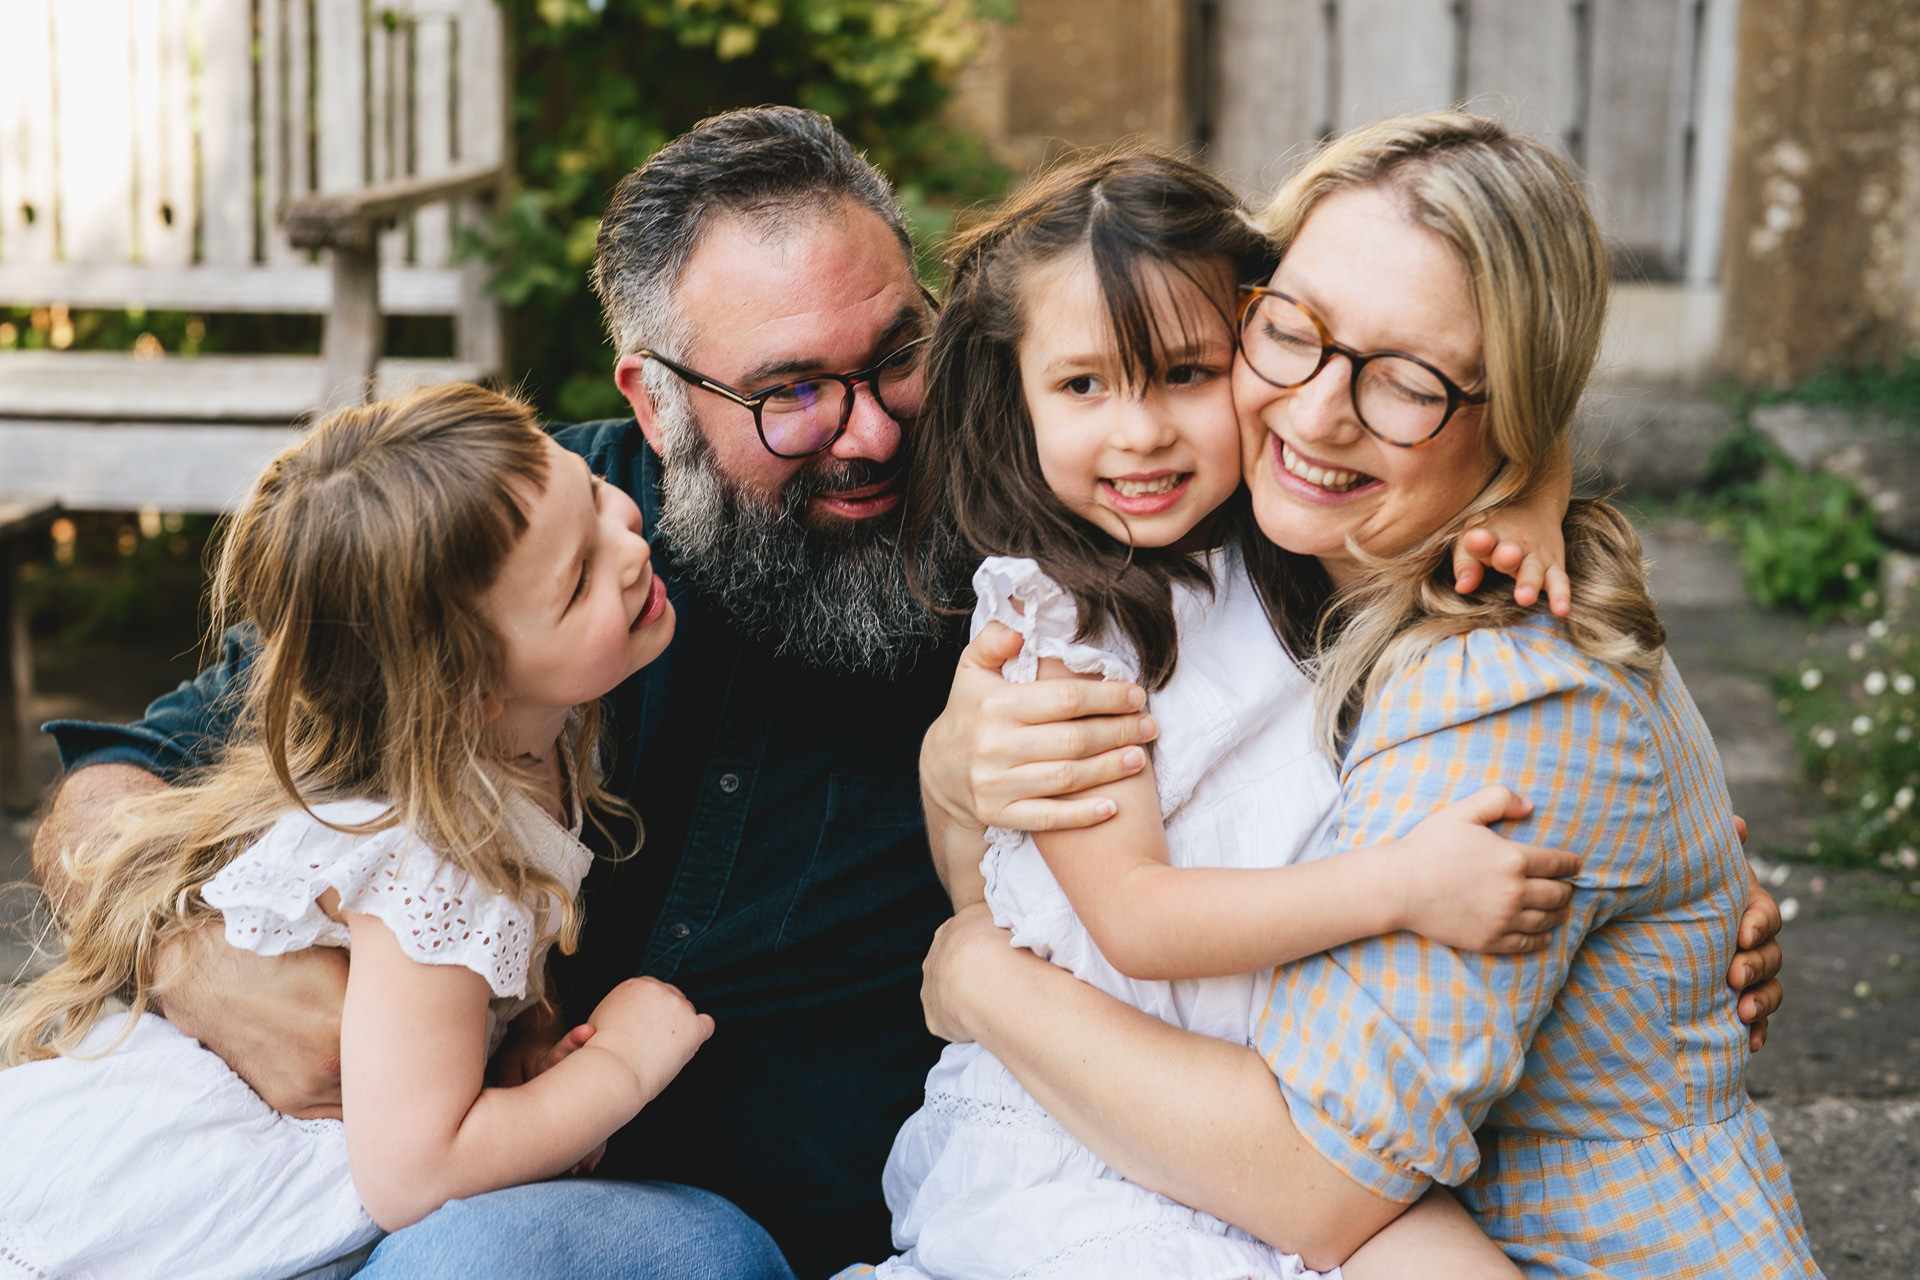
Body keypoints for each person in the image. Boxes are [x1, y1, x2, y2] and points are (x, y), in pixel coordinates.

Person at [26, 106, 1784, 1275]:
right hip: (487, 1157)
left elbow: (1336, 370)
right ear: (652, 402)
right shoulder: (531, 542)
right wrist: (187, 946)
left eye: (897, 359)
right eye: (792, 393)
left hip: (800, 1207)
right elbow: (130, 776)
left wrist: (1545, 487)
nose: (867, 431)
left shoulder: (1044, 508)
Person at [914, 112, 1816, 1276]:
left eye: (1407, 380)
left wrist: (977, 971)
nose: (1318, 409)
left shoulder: (1498, 665)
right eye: (1294, 334)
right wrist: (950, 772)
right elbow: (1085, 891)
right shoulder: (1189, 564)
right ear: (1261, 307)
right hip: (1126, 1145)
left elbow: (1313, 1182)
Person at [855, 150, 1579, 1280]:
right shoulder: (1065, 636)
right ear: (1020, 394)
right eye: (1084, 386)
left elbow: (1476, 406)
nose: (1139, 433)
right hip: (1097, 1122)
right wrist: (1405, 886)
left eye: (1186, 372)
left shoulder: (1280, 539)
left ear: (1263, 347)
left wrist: (1536, 492)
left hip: (1287, 1096)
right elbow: (1137, 917)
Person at [1, 385, 788, 1279]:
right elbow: (414, 1173)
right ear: (469, 691)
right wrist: (619, 1071)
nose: (629, 548)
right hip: (208, 1186)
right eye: (575, 583)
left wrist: (527, 1030)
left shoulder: (532, 738)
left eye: (596, 496)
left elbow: (470, 987)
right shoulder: (444, 862)